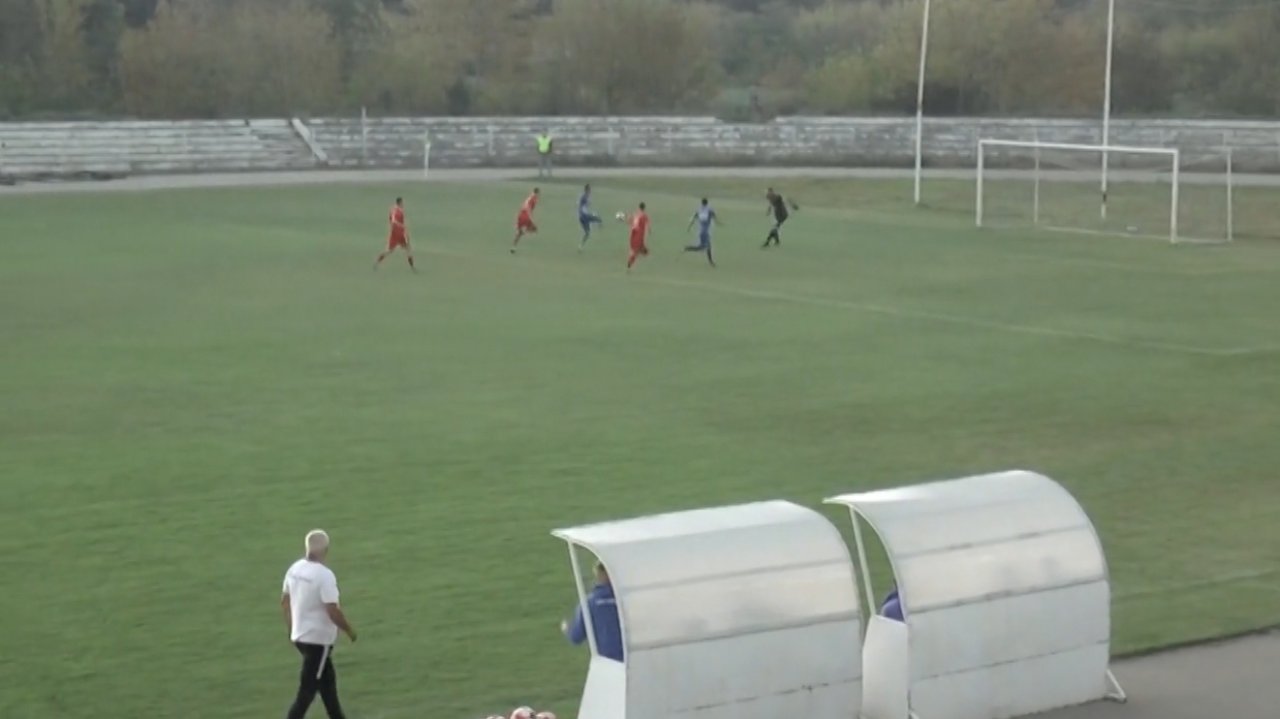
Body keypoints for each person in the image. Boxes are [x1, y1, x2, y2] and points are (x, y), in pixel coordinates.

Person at [281, 529, 358, 719]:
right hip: (318, 642)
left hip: (300, 636)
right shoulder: (325, 576)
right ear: (326, 550)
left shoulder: (295, 569)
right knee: (306, 693)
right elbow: (332, 610)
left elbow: (284, 601)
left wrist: (291, 629)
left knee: (327, 686)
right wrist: (349, 630)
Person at [560, 562, 624, 662]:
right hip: (631, 660)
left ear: (599, 576)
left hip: (606, 662)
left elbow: (576, 637)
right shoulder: (626, 599)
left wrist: (566, 628)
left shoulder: (589, 602)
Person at [374, 197, 415, 271]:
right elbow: (393, 221)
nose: (403, 204)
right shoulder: (395, 211)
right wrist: (402, 225)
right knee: (389, 251)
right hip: (396, 233)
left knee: (408, 248)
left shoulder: (398, 210)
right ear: (399, 203)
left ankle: (412, 267)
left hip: (401, 233)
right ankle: (377, 262)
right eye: (402, 203)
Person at [684, 197, 719, 268]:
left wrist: (689, 227)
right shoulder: (710, 210)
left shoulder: (699, 210)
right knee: (702, 247)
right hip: (705, 232)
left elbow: (693, 219)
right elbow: (715, 217)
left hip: (701, 231)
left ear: (701, 203)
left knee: (708, 247)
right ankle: (687, 248)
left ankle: (711, 262)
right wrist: (719, 222)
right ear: (707, 203)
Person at [511, 187, 540, 253]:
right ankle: (523, 232)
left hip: (521, 215)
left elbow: (524, 206)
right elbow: (528, 208)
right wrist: (531, 219)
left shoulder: (530, 197)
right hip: (526, 216)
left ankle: (513, 247)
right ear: (537, 193)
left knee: (519, 233)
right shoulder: (533, 199)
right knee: (534, 229)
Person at [625, 202, 651, 271]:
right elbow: (647, 225)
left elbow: (629, 222)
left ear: (639, 207)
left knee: (640, 249)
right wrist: (649, 231)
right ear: (644, 208)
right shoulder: (644, 216)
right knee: (636, 251)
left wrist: (624, 219)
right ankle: (630, 262)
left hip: (633, 234)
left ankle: (634, 256)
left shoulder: (635, 214)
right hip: (639, 235)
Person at [577, 184, 604, 251]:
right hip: (584, 216)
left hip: (581, 217)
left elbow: (582, 205)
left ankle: (580, 246)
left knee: (587, 233)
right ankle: (598, 225)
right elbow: (586, 203)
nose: (590, 191)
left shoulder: (584, 196)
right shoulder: (584, 197)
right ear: (587, 190)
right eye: (589, 190)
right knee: (598, 219)